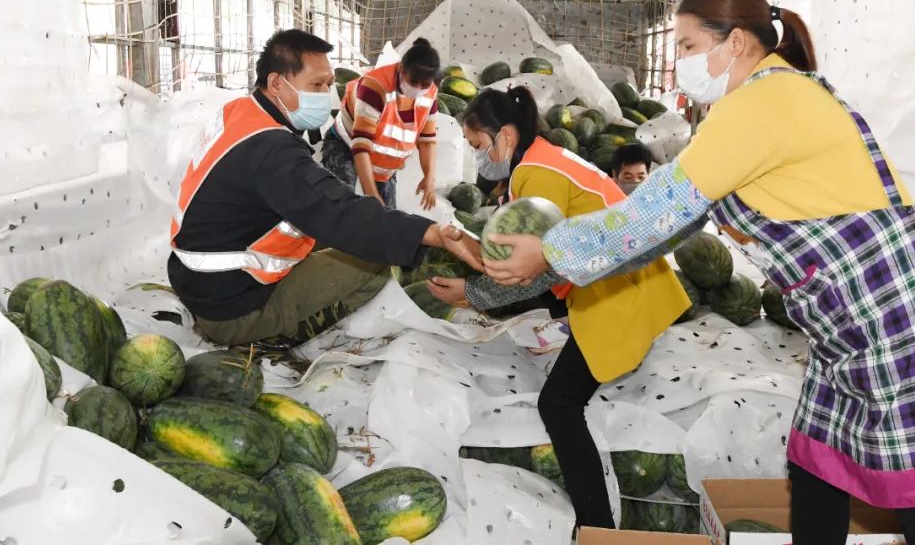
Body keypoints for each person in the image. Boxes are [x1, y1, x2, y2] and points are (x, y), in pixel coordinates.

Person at [484, 0, 915, 545]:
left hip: (912, 309)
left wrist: (550, 250)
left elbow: (656, 213)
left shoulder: (765, 103)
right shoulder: (758, 102)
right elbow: (667, 222)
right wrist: (557, 260)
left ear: (737, 43)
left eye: (689, 47)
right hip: (858, 318)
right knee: (818, 469)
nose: (679, 65)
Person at [426, 86, 694, 529]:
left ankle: (596, 528)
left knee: (559, 406)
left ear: (504, 137)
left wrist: (470, 294)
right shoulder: (540, 160)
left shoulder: (538, 176)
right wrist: (469, 248)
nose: (477, 158)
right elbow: (527, 254)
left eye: (477, 146)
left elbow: (540, 270)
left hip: (622, 293)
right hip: (621, 281)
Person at [168, 29, 480, 347]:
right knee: (375, 264)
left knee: (338, 236)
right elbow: (341, 212)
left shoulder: (242, 113)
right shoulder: (272, 151)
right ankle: (280, 333)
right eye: (316, 85)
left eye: (328, 84)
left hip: (197, 282)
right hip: (231, 310)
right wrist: (432, 232)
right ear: (276, 83)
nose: (326, 94)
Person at [321, 37, 442, 209]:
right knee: (343, 208)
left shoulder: (430, 94)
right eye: (414, 82)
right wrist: (372, 195)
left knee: (386, 220)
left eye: (425, 84)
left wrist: (429, 177)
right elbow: (361, 144)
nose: (419, 88)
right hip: (345, 145)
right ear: (401, 69)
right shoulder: (374, 86)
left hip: (382, 165)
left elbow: (427, 140)